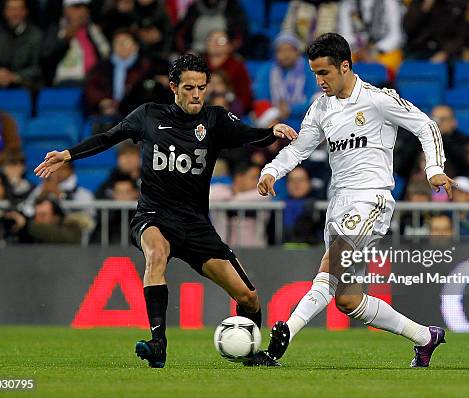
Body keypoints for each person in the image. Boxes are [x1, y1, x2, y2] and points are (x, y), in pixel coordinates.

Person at [34, 54, 298, 368]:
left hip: (196, 223)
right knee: (156, 254)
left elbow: (248, 135)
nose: (197, 94)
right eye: (189, 88)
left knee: (249, 297)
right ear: (174, 87)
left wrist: (273, 131)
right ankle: (158, 343)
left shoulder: (214, 119)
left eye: (201, 87)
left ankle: (252, 353)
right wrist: (67, 154)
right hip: (154, 215)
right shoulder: (148, 115)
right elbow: (108, 137)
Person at [257, 33, 452, 367]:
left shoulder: (378, 99)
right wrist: (272, 171)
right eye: (314, 73)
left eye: (325, 73)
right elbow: (301, 147)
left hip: (371, 200)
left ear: (345, 66)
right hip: (340, 203)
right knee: (347, 299)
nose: (319, 81)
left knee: (328, 268)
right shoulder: (321, 108)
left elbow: (426, 125)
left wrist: (434, 168)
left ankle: (282, 340)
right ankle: (425, 337)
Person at [254, 32, 320, 123]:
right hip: (275, 114)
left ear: (297, 52)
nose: (286, 55)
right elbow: (261, 96)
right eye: (281, 51)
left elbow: (313, 96)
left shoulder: (309, 68)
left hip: (304, 115)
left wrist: (291, 109)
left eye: (289, 50)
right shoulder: (267, 69)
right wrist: (277, 111)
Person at [41, 0, 110, 85]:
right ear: (66, 10)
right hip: (63, 84)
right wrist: (65, 40)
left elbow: (106, 54)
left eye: (86, 8)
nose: (83, 12)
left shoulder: (94, 31)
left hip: (91, 83)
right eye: (77, 7)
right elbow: (46, 57)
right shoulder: (56, 30)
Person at [85, 28, 150, 117]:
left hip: (137, 113)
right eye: (117, 43)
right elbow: (92, 87)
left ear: (135, 46)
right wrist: (102, 101)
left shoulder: (145, 66)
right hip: (107, 113)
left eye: (126, 42)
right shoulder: (103, 66)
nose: (121, 46)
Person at [395, 104, 469, 179]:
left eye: (443, 119)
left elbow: (467, 165)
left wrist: (440, 137)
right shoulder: (417, 140)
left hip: (452, 186)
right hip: (418, 187)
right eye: (434, 119)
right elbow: (399, 168)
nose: (437, 123)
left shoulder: (463, 141)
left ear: (453, 122)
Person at [0, 0, 43, 89]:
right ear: (4, 12)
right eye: (11, 9)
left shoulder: (36, 35)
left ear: (25, 12)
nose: (15, 13)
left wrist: (15, 77)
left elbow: (37, 67)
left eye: (19, 9)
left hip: (26, 84)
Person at [337, 0, 405, 71]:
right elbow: (345, 35)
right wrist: (359, 50)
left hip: (383, 51)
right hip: (357, 51)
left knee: (392, 60)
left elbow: (396, 36)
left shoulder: (390, 2)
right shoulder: (347, 4)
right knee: (341, 62)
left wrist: (375, 51)